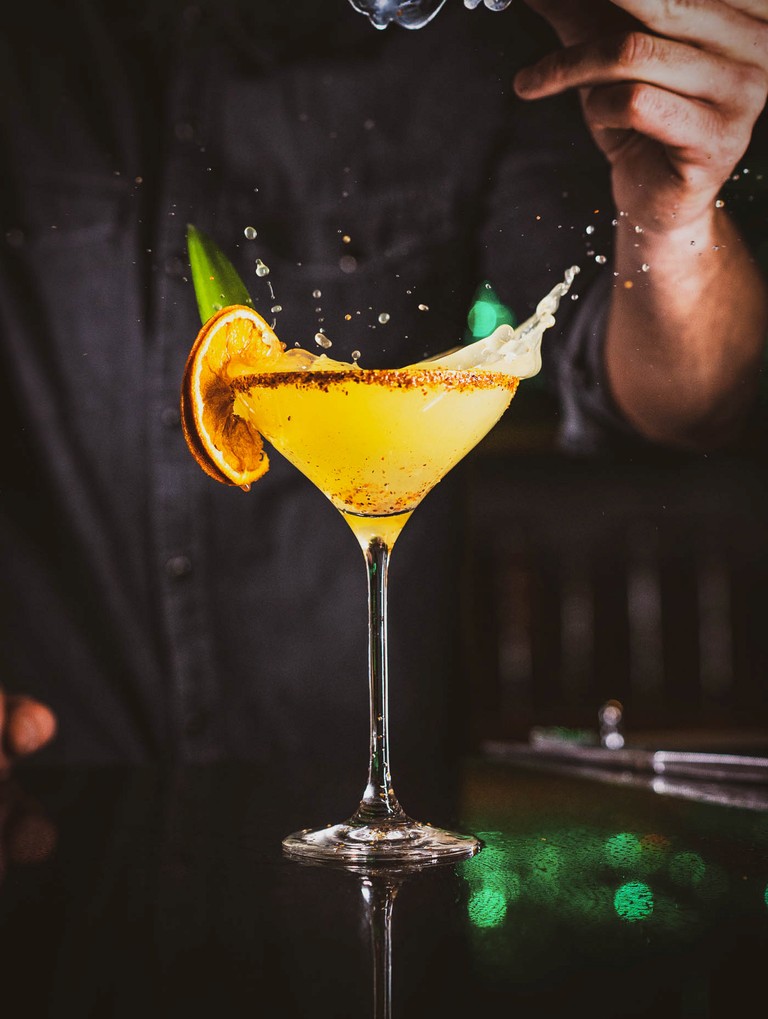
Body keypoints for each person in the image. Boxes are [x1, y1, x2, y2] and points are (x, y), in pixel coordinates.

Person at [1, 0, 766, 772]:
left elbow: (683, 407)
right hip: (54, 787)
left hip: (350, 805)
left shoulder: (479, 39)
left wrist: (674, 225)